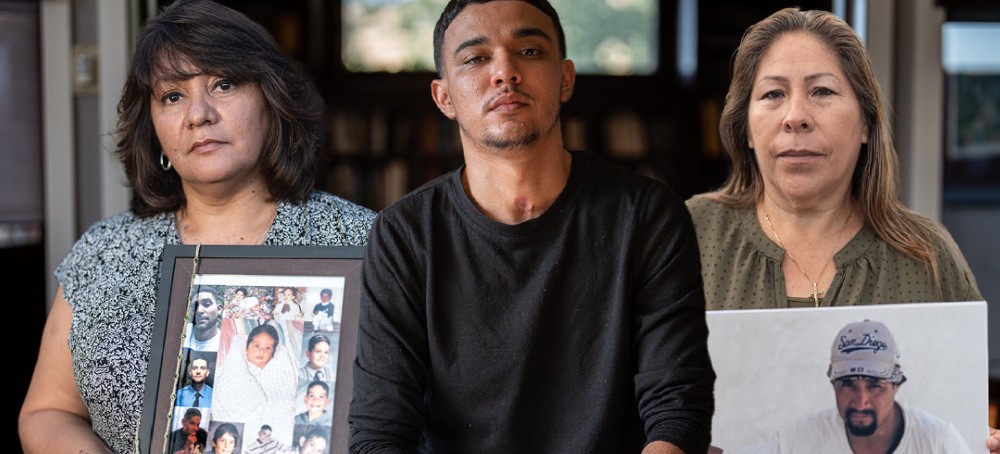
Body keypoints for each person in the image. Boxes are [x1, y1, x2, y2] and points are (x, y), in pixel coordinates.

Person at [348, 1, 715, 452]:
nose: (505, 72)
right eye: (476, 58)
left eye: (529, 51)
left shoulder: (646, 215)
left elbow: (676, 405)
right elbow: (380, 432)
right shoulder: (404, 235)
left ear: (565, 79)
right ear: (444, 97)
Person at [17, 0, 375, 451]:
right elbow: (48, 411)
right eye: (172, 95)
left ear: (271, 99)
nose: (199, 114)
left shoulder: (362, 242)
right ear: (153, 125)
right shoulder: (102, 251)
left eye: (223, 84)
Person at [686, 7, 999, 451]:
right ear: (747, 129)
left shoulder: (926, 254)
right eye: (773, 94)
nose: (796, 116)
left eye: (822, 91)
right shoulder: (687, 235)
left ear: (867, 122)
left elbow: (967, 417)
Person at [727, 319, 971, 454]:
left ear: (896, 386)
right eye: (848, 385)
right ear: (833, 384)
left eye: (875, 385)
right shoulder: (800, 439)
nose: (861, 401)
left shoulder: (939, 441)